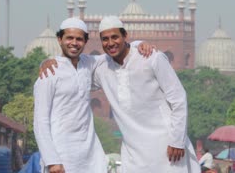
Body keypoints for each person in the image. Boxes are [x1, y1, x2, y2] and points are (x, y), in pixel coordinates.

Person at [40, 16, 200, 172]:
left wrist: (177, 140)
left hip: (166, 145)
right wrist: (47, 62)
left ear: (125, 36)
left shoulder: (151, 58)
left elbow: (178, 98)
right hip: (133, 153)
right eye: (105, 39)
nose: (110, 43)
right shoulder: (102, 68)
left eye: (115, 37)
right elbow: (72, 68)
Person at [33, 18, 153, 173]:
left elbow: (117, 49)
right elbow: (40, 121)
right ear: (59, 39)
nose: (74, 43)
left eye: (79, 39)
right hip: (61, 154)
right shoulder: (50, 73)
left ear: (85, 42)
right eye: (69, 38)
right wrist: (52, 161)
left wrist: (139, 44)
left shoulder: (88, 64)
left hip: (90, 155)